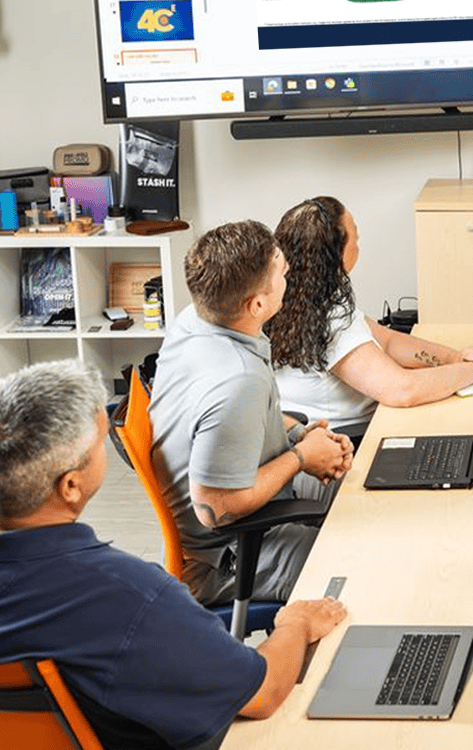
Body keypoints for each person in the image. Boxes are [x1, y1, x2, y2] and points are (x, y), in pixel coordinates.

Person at [0, 359, 347, 750]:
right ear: (71, 485)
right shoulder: (127, 599)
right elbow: (262, 692)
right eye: (100, 443)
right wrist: (296, 624)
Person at [150, 220, 353, 605]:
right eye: (281, 270)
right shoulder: (236, 379)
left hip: (243, 513)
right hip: (227, 556)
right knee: (354, 564)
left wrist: (299, 436)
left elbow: (226, 422)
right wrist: (300, 458)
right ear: (257, 305)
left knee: (361, 490)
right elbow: (216, 509)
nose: (288, 272)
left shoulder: (195, 321)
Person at [268, 196, 473, 436]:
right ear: (335, 253)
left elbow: (389, 341)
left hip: (311, 435)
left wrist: (454, 357)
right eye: (355, 237)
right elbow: (402, 390)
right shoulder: (329, 317)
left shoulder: (289, 297)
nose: (358, 242)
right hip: (344, 441)